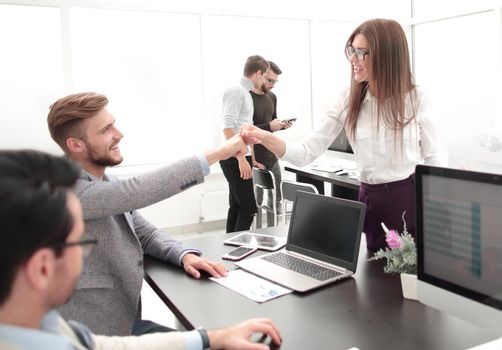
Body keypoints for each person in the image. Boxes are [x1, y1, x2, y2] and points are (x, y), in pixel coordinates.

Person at [0, 149, 283, 350]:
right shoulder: (81, 192)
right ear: (42, 267)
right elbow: (137, 190)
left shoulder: (43, 324)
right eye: (81, 244)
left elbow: (96, 345)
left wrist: (210, 339)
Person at [46, 92, 249, 336]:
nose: (119, 134)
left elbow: (145, 233)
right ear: (75, 144)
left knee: (208, 339)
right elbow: (135, 191)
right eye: (106, 129)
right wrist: (219, 152)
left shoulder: (102, 181)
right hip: (94, 336)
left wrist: (183, 254)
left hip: (125, 323)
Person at [241, 19, 443, 252]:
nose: (353, 59)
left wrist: (435, 210)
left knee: (405, 279)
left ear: (387, 55)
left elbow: (435, 159)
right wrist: (263, 136)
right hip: (368, 199)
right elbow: (307, 152)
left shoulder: (416, 99)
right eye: (351, 51)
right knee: (374, 277)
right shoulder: (349, 100)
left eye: (361, 52)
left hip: (407, 200)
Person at [220, 55, 269, 233]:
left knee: (236, 206)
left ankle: (229, 248)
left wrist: (252, 158)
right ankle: (238, 248)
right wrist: (240, 158)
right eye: (264, 76)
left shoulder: (245, 93)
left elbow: (247, 131)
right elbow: (227, 128)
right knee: (248, 209)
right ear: (258, 73)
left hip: (240, 156)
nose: (264, 81)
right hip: (234, 158)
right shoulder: (236, 91)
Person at [250, 61, 292, 227]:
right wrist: (269, 126)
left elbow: (270, 128)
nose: (272, 85)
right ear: (260, 74)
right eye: (270, 80)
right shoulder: (247, 97)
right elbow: (247, 130)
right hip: (255, 159)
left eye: (275, 81)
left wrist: (280, 126)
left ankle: (276, 238)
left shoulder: (272, 97)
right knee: (257, 206)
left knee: (277, 203)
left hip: (272, 158)